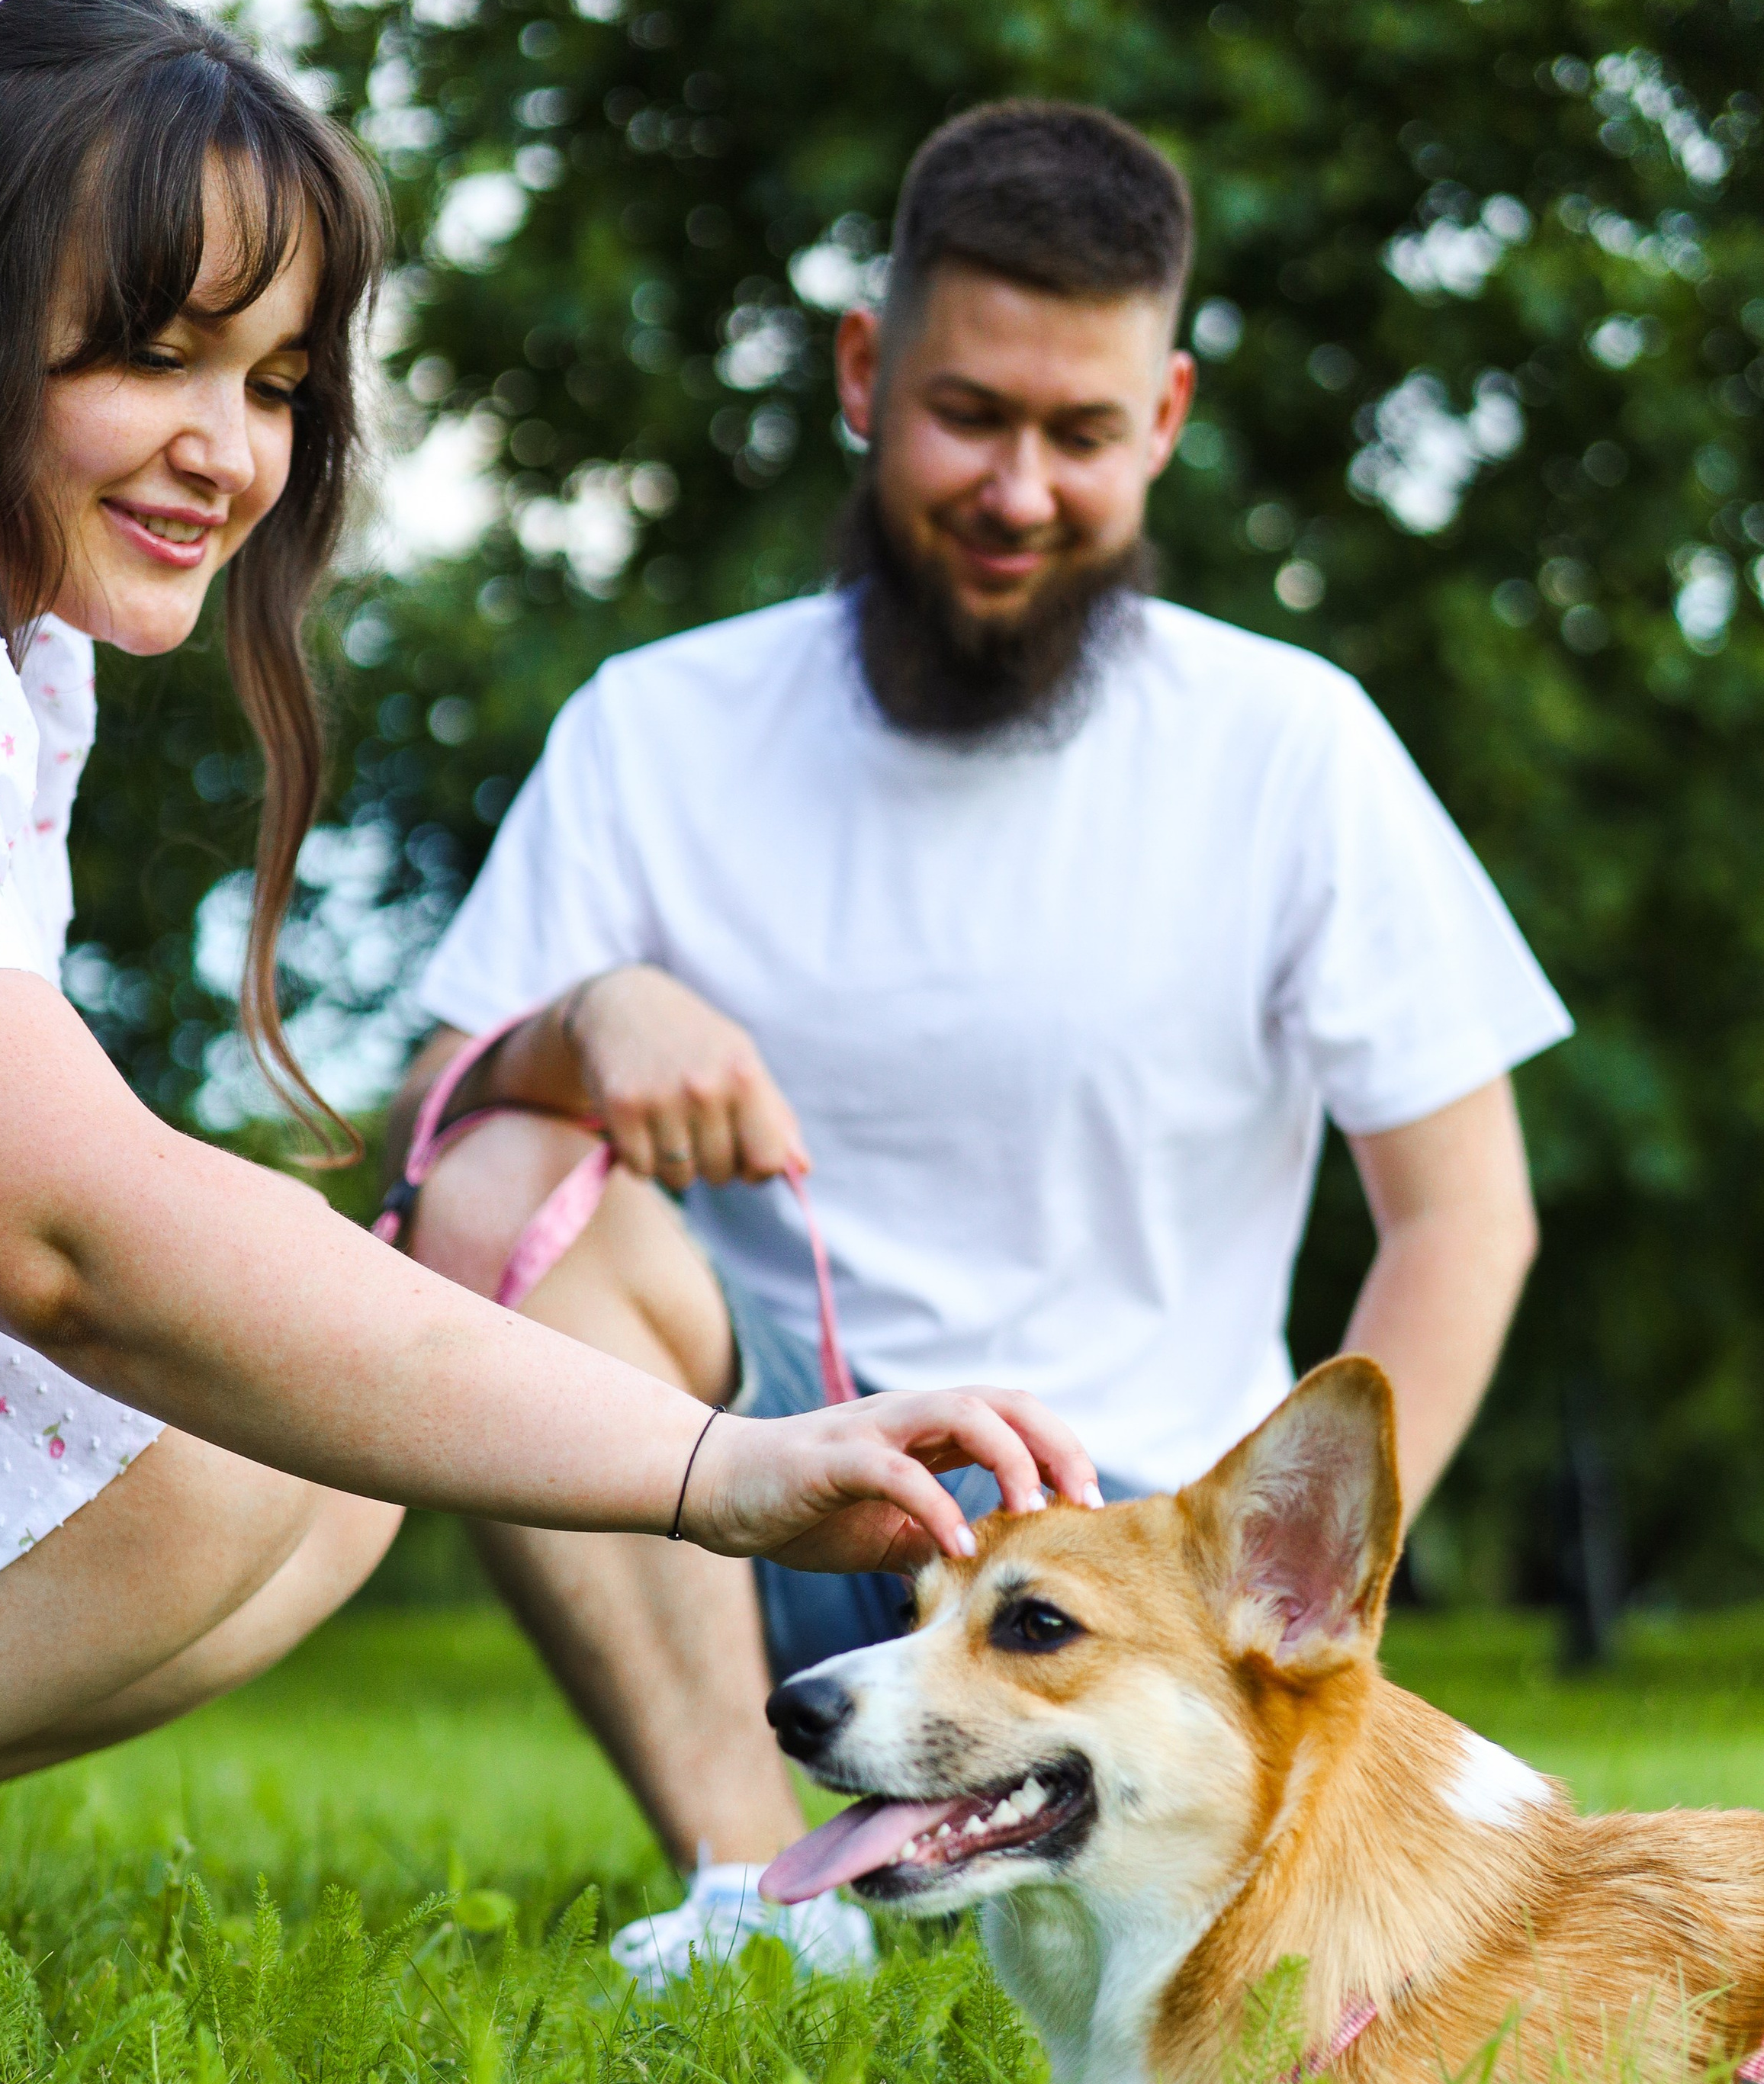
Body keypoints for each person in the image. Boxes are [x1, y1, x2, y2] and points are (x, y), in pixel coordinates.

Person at [0, 0, 1099, 1864]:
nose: (224, 452)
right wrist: (713, 1468)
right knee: (210, 1443)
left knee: (307, 1468)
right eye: (152, 355)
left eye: (268, 385)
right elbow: (63, 1232)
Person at [390, 99, 1572, 1986]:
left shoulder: (1295, 747)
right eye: (970, 416)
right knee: (503, 1173)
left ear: (1163, 421)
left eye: (1080, 435)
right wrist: (583, 1025)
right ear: (866, 375)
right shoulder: (652, 726)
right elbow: (417, 1161)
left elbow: (1462, 1219)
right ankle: (746, 1896)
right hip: (766, 1514)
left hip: (1141, 1560)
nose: (1019, 487)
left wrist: (1294, 1590)